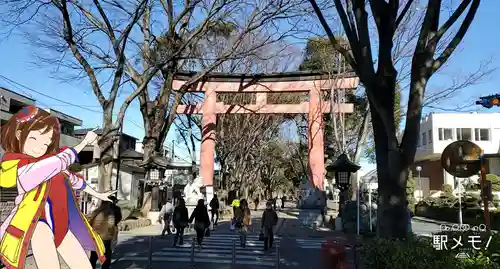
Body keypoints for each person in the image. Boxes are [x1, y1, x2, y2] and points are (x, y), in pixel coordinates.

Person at [0, 106, 115, 269]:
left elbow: (73, 180)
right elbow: (57, 162)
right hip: (39, 224)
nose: (41, 147)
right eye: (35, 139)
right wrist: (83, 143)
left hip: (61, 224)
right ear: (19, 135)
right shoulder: (21, 168)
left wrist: (99, 194)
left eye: (46, 142)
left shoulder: (51, 165)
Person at [89, 196, 122, 269]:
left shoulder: (97, 210)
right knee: (107, 256)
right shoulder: (111, 211)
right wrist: (111, 233)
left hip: (96, 236)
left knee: (94, 256)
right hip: (106, 237)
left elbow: (90, 221)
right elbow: (111, 223)